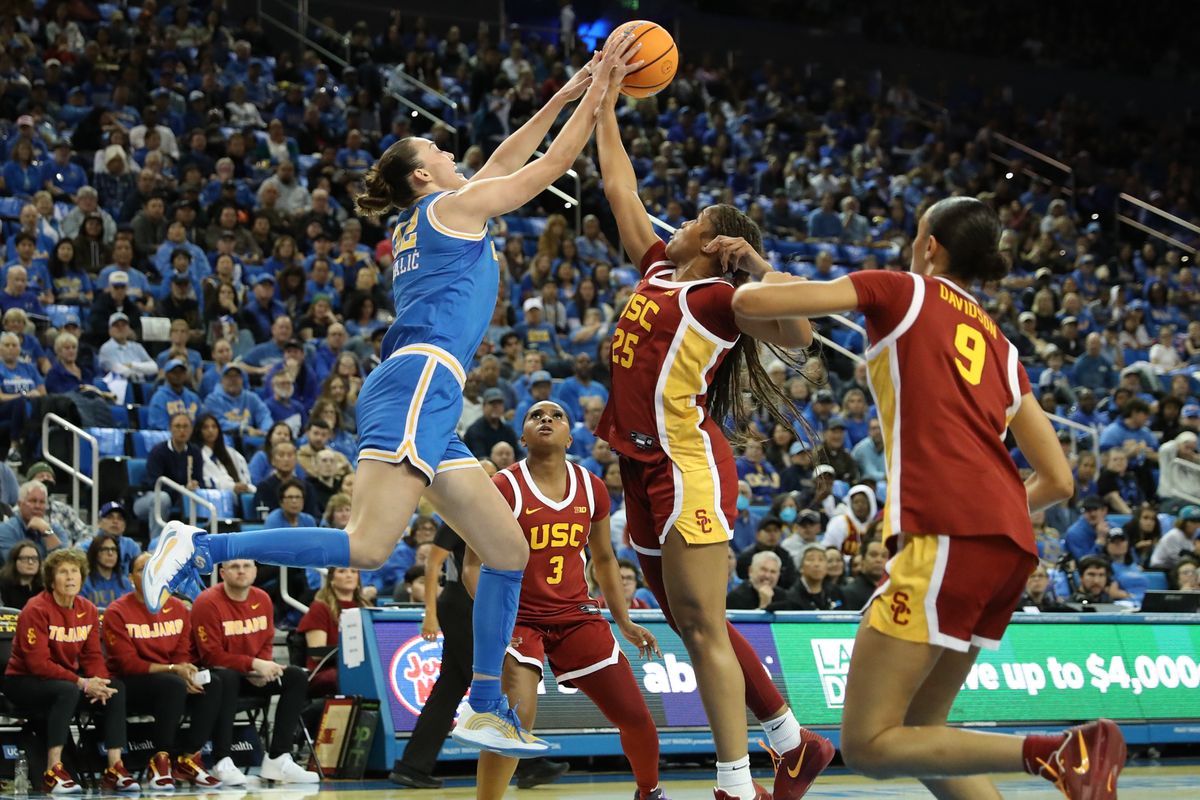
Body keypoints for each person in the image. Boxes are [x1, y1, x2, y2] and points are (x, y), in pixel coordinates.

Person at [142, 39, 641, 756]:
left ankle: (487, 707)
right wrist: (604, 96)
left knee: (507, 549)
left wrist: (570, 91)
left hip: (427, 389)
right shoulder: (450, 209)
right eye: (437, 147)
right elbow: (549, 166)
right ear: (420, 172)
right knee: (369, 545)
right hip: (419, 380)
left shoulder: (440, 212)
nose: (451, 151)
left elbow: (507, 154)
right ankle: (201, 542)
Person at [732, 196, 1122, 797]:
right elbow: (1060, 481)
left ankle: (1059, 752)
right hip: (1009, 546)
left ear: (930, 246)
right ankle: (1059, 758)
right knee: (919, 730)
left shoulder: (902, 290)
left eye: (917, 235)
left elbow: (750, 305)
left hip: (944, 532)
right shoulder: (1002, 345)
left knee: (867, 741)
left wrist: (760, 273)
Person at [594, 60, 832, 800]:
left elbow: (800, 335)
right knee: (692, 622)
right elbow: (618, 188)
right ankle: (794, 746)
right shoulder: (659, 271)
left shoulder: (725, 298)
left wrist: (757, 264)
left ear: (716, 242)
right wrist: (604, 99)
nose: (682, 218)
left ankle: (735, 785)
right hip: (641, 468)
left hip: (687, 466)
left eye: (697, 219)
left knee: (703, 626)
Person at [465, 400, 664, 800]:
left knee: (636, 716)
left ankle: (649, 792)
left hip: (577, 615)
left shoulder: (591, 486)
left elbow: (605, 559)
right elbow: (472, 565)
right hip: (521, 618)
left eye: (556, 416)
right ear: (521, 435)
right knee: (512, 723)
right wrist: (497, 617)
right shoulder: (503, 486)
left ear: (570, 436)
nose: (546, 420)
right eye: (536, 416)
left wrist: (623, 621)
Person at [2, 549, 140, 793]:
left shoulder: (86, 609)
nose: (69, 577)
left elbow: (92, 655)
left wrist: (99, 682)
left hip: (66, 680)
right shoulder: (36, 609)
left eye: (74, 571)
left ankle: (114, 768)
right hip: (23, 681)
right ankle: (53, 770)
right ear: (51, 579)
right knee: (67, 691)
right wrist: (82, 683)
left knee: (115, 688)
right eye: (63, 572)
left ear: (82, 576)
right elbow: (38, 664)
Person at [102, 553, 226, 789]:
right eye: (142, 569)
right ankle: (159, 760)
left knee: (213, 682)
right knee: (172, 685)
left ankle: (189, 758)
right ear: (130, 578)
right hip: (131, 682)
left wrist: (184, 671)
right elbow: (127, 663)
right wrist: (174, 670)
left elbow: (182, 653)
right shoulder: (117, 611)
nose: (150, 573)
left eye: (155, 568)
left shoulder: (178, 607)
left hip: (170, 680)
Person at [190, 559, 320, 782]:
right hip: (214, 676)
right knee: (227, 677)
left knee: (296, 676)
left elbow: (266, 640)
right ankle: (222, 761)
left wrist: (263, 667)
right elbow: (211, 655)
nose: (241, 570)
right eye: (234, 566)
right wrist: (254, 665)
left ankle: (278, 758)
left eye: (246, 566)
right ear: (222, 572)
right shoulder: (207, 602)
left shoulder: (263, 599)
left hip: (251, 674)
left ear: (255, 571)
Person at [296, 567, 371, 697]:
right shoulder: (320, 608)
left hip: (360, 668)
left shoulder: (367, 607)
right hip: (326, 671)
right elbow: (317, 653)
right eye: (342, 571)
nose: (349, 575)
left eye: (353, 572)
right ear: (331, 579)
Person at [80, 533, 132, 607]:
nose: (110, 553)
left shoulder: (125, 583)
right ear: (95, 553)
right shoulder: (84, 584)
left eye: (113, 549)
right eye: (105, 549)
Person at [840, 539, 888, 610]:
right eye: (873, 555)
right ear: (862, 560)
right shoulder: (849, 592)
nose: (879, 560)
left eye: (884, 556)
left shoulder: (893, 591)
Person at [0, 541, 42, 608]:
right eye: (25, 558)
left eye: (34, 558)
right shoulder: (3, 585)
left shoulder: (44, 587)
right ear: (14, 561)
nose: (30, 562)